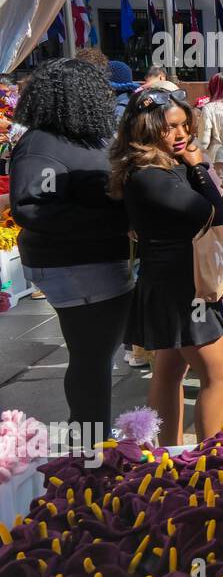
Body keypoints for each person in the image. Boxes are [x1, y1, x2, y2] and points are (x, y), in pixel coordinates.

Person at [110, 87, 223, 444]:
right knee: (221, 372)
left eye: (185, 125)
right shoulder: (150, 175)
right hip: (181, 287)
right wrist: (200, 166)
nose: (182, 134)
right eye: (170, 127)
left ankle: (167, 458)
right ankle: (210, 461)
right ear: (146, 129)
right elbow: (212, 212)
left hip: (175, 281)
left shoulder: (162, 168)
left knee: (169, 370)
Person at [9, 59, 133, 435]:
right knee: (92, 356)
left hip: (99, 261)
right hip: (76, 267)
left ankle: (89, 436)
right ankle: (91, 445)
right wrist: (114, 222)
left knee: (95, 354)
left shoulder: (86, 136)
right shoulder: (42, 144)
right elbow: (34, 208)